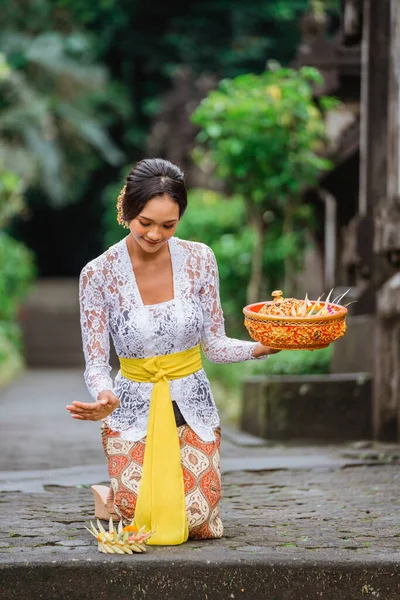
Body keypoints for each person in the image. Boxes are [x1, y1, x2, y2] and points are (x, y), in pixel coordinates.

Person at [66, 158, 278, 545]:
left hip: (191, 402)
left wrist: (263, 347)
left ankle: (116, 494)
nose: (155, 234)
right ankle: (114, 496)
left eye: (168, 225)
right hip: (133, 406)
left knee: (196, 522)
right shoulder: (98, 274)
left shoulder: (200, 259)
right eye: (145, 222)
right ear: (127, 209)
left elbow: (214, 345)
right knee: (141, 522)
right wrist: (104, 395)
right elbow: (97, 363)